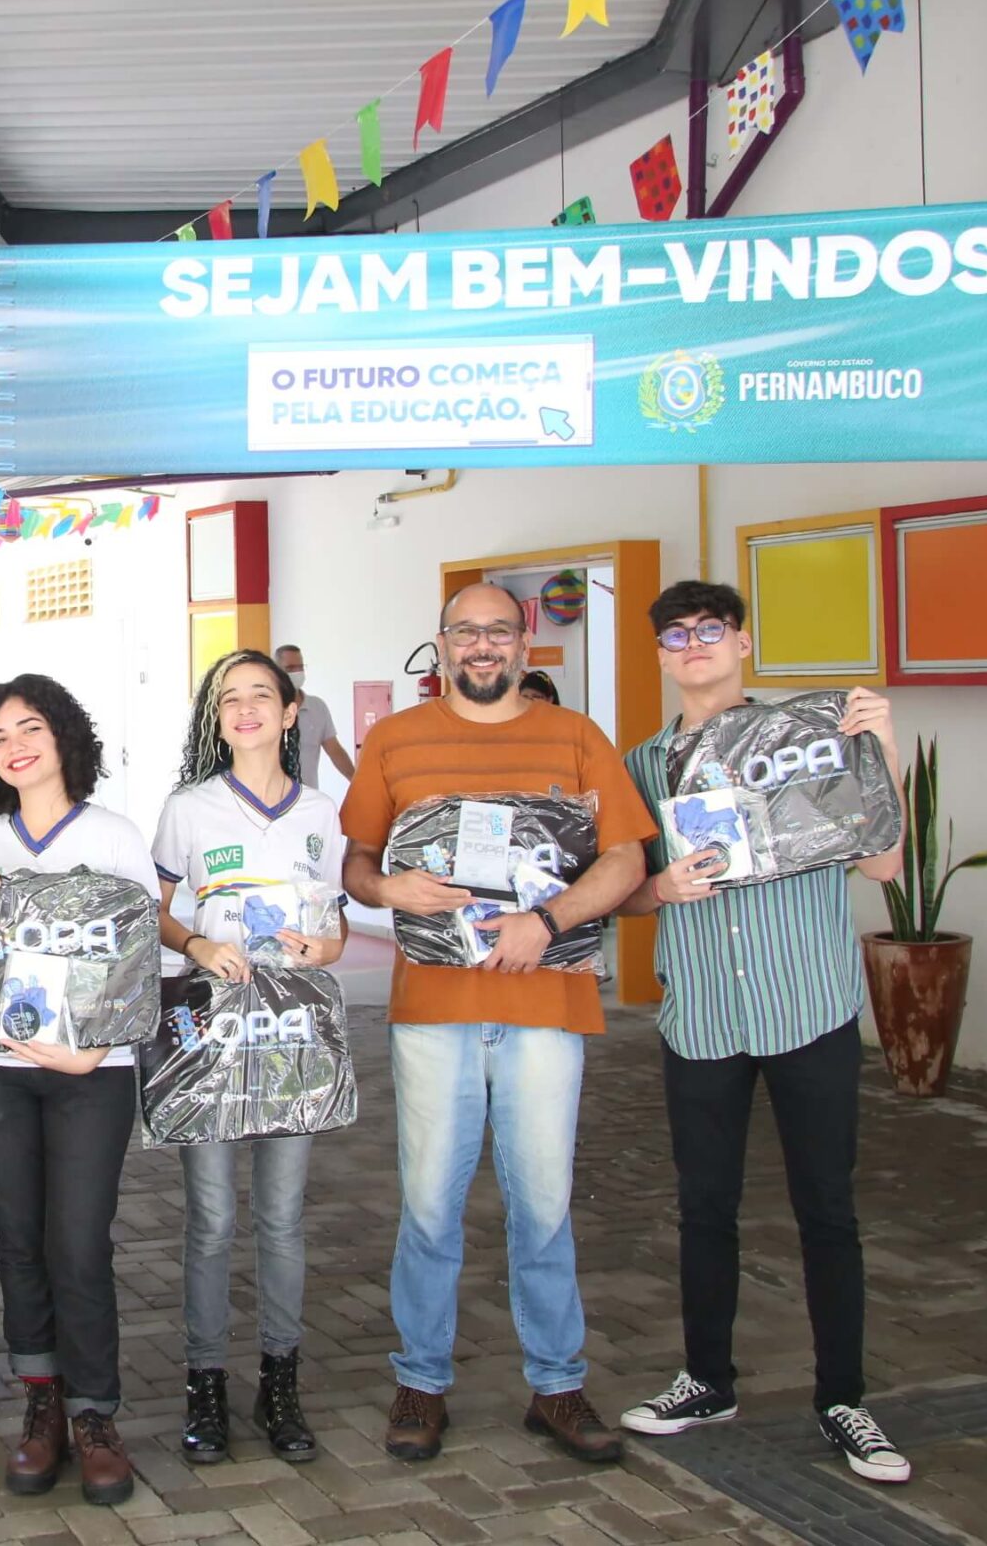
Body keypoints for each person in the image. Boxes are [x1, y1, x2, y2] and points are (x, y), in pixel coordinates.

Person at [340, 582, 654, 1466]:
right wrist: (385, 887)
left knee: (544, 1205)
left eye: (500, 632)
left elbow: (626, 857)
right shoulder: (397, 740)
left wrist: (546, 924)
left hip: (547, 1007)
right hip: (435, 1009)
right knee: (430, 1205)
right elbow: (359, 860)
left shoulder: (578, 737)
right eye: (467, 632)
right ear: (440, 644)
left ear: (526, 646)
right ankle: (421, 1382)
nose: (483, 645)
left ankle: (556, 1386)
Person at [616, 580, 913, 1485]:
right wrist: (658, 890)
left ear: (742, 642)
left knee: (828, 1209)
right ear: (662, 654)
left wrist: (884, 747)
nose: (695, 645)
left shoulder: (810, 743)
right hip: (703, 1011)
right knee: (704, 1206)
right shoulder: (641, 767)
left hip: (807, 1005)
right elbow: (619, 887)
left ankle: (845, 1400)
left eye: (711, 630)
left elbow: (886, 858)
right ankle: (708, 1378)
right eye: (677, 634)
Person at [0, 675, 157, 1507]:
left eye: (31, 727)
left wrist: (89, 1054)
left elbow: (140, 969)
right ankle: (43, 1404)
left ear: (63, 735)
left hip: (91, 1076)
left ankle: (97, 1413)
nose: (16, 744)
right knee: (20, 1239)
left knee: (78, 1239)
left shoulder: (115, 837)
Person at [150, 649, 346, 1467]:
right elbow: (153, 912)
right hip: (209, 1035)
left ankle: (279, 1380)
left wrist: (319, 946)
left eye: (260, 695)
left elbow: (334, 930)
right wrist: (197, 940)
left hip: (292, 1036)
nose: (245, 709)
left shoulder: (320, 814)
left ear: (291, 710)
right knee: (214, 1219)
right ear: (217, 716)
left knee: (281, 1218)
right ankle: (204, 1386)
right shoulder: (188, 809)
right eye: (229, 698)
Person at [273, 646, 356, 791]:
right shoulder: (267, 709)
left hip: (308, 798)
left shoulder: (317, 707)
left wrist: (356, 780)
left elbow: (335, 751)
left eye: (300, 667)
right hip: (270, 801)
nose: (297, 673)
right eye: (290, 668)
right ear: (276, 671)